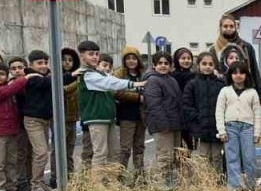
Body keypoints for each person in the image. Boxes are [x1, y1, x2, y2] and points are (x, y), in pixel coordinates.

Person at [76, 41, 145, 174]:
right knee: (100, 154)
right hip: (96, 118)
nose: (95, 57)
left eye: (96, 54)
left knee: (114, 153)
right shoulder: (87, 74)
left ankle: (111, 183)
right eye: (91, 54)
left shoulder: (99, 73)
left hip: (108, 118)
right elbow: (112, 83)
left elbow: (112, 80)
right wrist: (136, 84)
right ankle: (98, 187)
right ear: (82, 56)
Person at [0, 62, 36, 191]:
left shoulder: (10, 87)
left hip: (12, 131)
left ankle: (11, 187)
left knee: (12, 161)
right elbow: (7, 91)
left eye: (1, 74)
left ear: (6, 76)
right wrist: (25, 78)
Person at [215, 61, 261, 191]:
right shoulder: (225, 91)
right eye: (234, 73)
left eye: (241, 72)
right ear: (230, 75)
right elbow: (219, 111)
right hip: (230, 127)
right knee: (232, 158)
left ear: (246, 75)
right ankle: (235, 187)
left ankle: (251, 186)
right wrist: (221, 130)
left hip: (247, 128)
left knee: (249, 158)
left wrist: (257, 133)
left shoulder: (252, 92)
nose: (238, 75)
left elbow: (257, 113)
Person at [182, 52, 226, 178]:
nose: (207, 67)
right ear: (198, 65)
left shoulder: (220, 84)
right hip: (200, 128)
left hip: (217, 128)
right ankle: (204, 183)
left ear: (215, 66)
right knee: (203, 157)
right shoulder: (192, 84)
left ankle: (217, 181)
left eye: (211, 64)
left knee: (217, 157)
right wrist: (197, 118)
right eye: (204, 64)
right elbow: (186, 104)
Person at [143, 52, 186, 180]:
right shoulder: (152, 80)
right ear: (154, 65)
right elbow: (154, 105)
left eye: (166, 63)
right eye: (160, 63)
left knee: (175, 156)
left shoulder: (171, 80)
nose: (163, 66)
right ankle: (162, 187)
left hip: (175, 124)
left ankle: (172, 185)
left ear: (170, 66)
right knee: (164, 158)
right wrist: (163, 125)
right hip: (162, 126)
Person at [18, 50, 55, 191]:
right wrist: (71, 74)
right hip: (33, 120)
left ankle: (39, 183)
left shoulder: (45, 77)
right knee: (40, 153)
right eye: (39, 63)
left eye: (45, 63)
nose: (43, 66)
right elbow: (47, 82)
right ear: (31, 64)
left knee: (41, 153)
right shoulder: (31, 78)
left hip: (45, 120)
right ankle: (35, 186)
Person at [208, 14, 261, 102]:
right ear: (220, 28)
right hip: (221, 93)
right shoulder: (213, 49)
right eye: (225, 26)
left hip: (245, 92)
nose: (229, 28)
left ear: (236, 27)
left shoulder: (246, 47)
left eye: (231, 26)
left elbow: (254, 71)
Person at [114, 46, 148, 177]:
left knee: (139, 148)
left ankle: (140, 177)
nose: (131, 61)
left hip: (141, 115)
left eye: (134, 58)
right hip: (126, 116)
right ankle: (119, 177)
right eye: (128, 58)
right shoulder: (120, 74)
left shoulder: (143, 74)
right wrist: (138, 97)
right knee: (125, 149)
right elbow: (117, 93)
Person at [170, 47, 197, 152]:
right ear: (177, 60)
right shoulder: (172, 76)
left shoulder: (195, 76)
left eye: (189, 58)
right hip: (177, 114)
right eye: (183, 58)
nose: (186, 61)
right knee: (178, 145)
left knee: (191, 145)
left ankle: (189, 167)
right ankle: (181, 166)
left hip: (191, 114)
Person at [60, 48, 80, 183]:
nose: (67, 63)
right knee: (59, 150)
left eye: (70, 60)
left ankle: (70, 176)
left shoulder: (76, 76)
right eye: (64, 60)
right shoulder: (56, 76)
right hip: (61, 118)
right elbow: (62, 91)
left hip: (73, 117)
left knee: (69, 150)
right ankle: (57, 177)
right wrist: (78, 82)